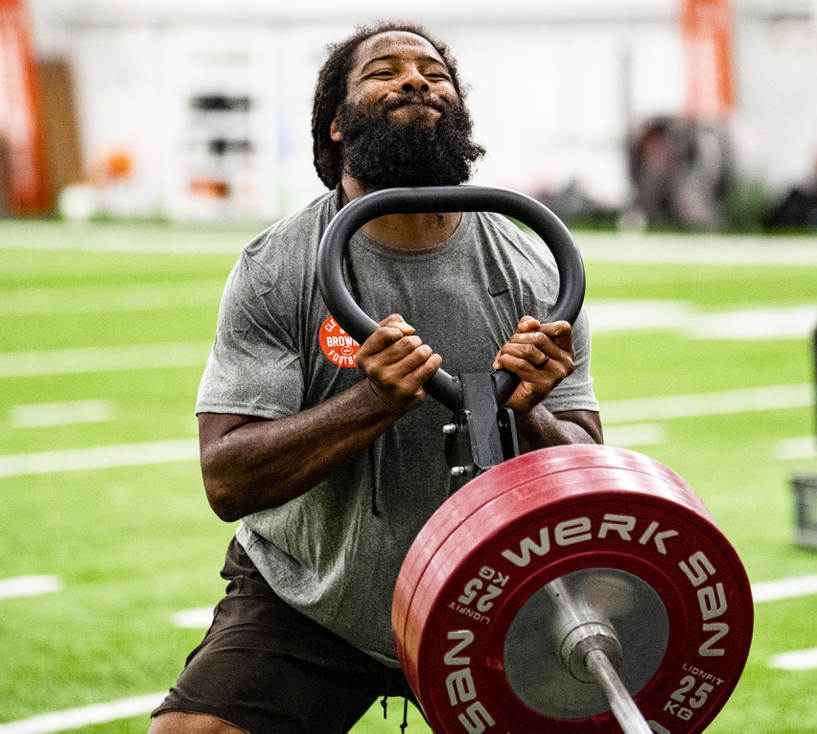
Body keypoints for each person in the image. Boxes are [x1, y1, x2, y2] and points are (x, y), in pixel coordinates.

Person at [149, 21, 601, 734]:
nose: (416, 80)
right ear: (334, 124)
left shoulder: (532, 263)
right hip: (313, 597)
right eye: (383, 71)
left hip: (492, 588)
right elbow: (227, 480)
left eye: (434, 72)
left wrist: (531, 410)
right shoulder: (277, 267)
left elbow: (588, 466)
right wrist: (373, 402)